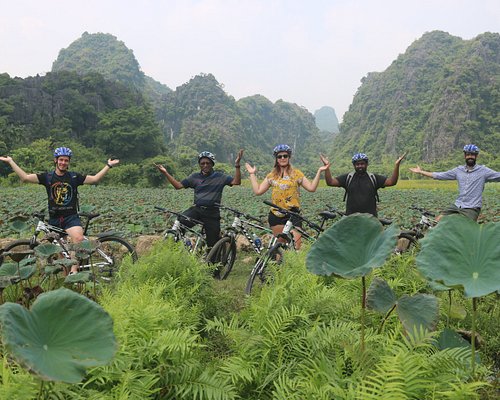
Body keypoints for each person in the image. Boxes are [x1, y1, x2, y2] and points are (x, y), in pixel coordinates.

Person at [0, 147, 119, 274]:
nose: (63, 163)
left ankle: (74, 271)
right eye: (61, 160)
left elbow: (95, 179)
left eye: (66, 160)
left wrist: (108, 165)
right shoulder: (47, 177)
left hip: (71, 217)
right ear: (55, 160)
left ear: (68, 162)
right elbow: (25, 178)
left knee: (78, 239)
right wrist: (11, 162)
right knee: (60, 252)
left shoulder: (74, 177)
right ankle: (66, 278)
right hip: (54, 219)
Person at [245, 144, 330, 249]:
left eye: (285, 156)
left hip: (293, 214)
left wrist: (320, 171)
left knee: (296, 246)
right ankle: (280, 264)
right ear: (276, 159)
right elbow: (258, 191)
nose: (282, 158)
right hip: (276, 214)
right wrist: (252, 174)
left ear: (289, 157)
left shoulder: (296, 174)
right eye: (279, 156)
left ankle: (294, 264)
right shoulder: (272, 176)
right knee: (280, 247)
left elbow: (311, 188)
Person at [155, 150, 243, 249]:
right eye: (202, 163)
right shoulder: (194, 177)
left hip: (212, 213)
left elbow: (237, 181)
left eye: (208, 163)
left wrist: (237, 165)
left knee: (212, 245)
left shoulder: (220, 177)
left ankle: (214, 260)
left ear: (212, 164)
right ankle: (181, 248)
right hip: (197, 210)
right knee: (181, 222)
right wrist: (165, 173)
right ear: (199, 165)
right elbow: (178, 186)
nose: (205, 165)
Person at [409, 144, 500, 221]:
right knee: (437, 221)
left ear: (476, 156)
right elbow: (440, 175)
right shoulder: (458, 170)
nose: (470, 157)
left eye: (472, 154)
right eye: (468, 154)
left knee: (466, 231)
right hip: (457, 205)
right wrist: (421, 172)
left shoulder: (483, 171)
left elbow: (498, 176)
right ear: (465, 156)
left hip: (472, 207)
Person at [321, 152, 406, 217]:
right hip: (351, 218)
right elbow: (330, 182)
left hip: (370, 218)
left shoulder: (373, 177)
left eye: (362, 164)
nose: (360, 166)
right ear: (354, 165)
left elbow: (392, 182)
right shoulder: (348, 177)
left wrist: (397, 165)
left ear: (366, 164)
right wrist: (326, 167)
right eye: (357, 164)